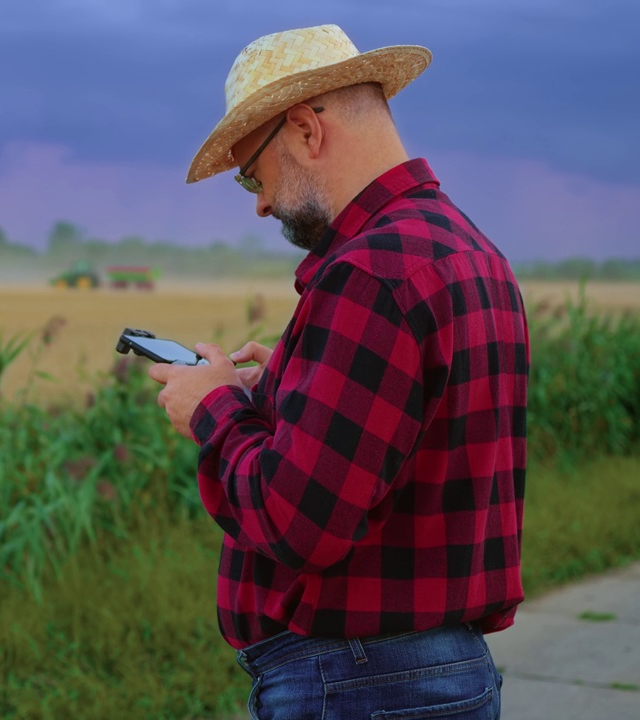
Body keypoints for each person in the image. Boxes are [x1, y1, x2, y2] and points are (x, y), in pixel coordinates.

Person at [148, 24, 528, 719]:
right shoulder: (471, 251)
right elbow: (404, 453)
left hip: (361, 682)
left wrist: (213, 410)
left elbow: (296, 522)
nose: (260, 203)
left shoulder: (369, 273)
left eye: (252, 175)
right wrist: (290, 393)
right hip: (442, 674)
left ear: (304, 129)